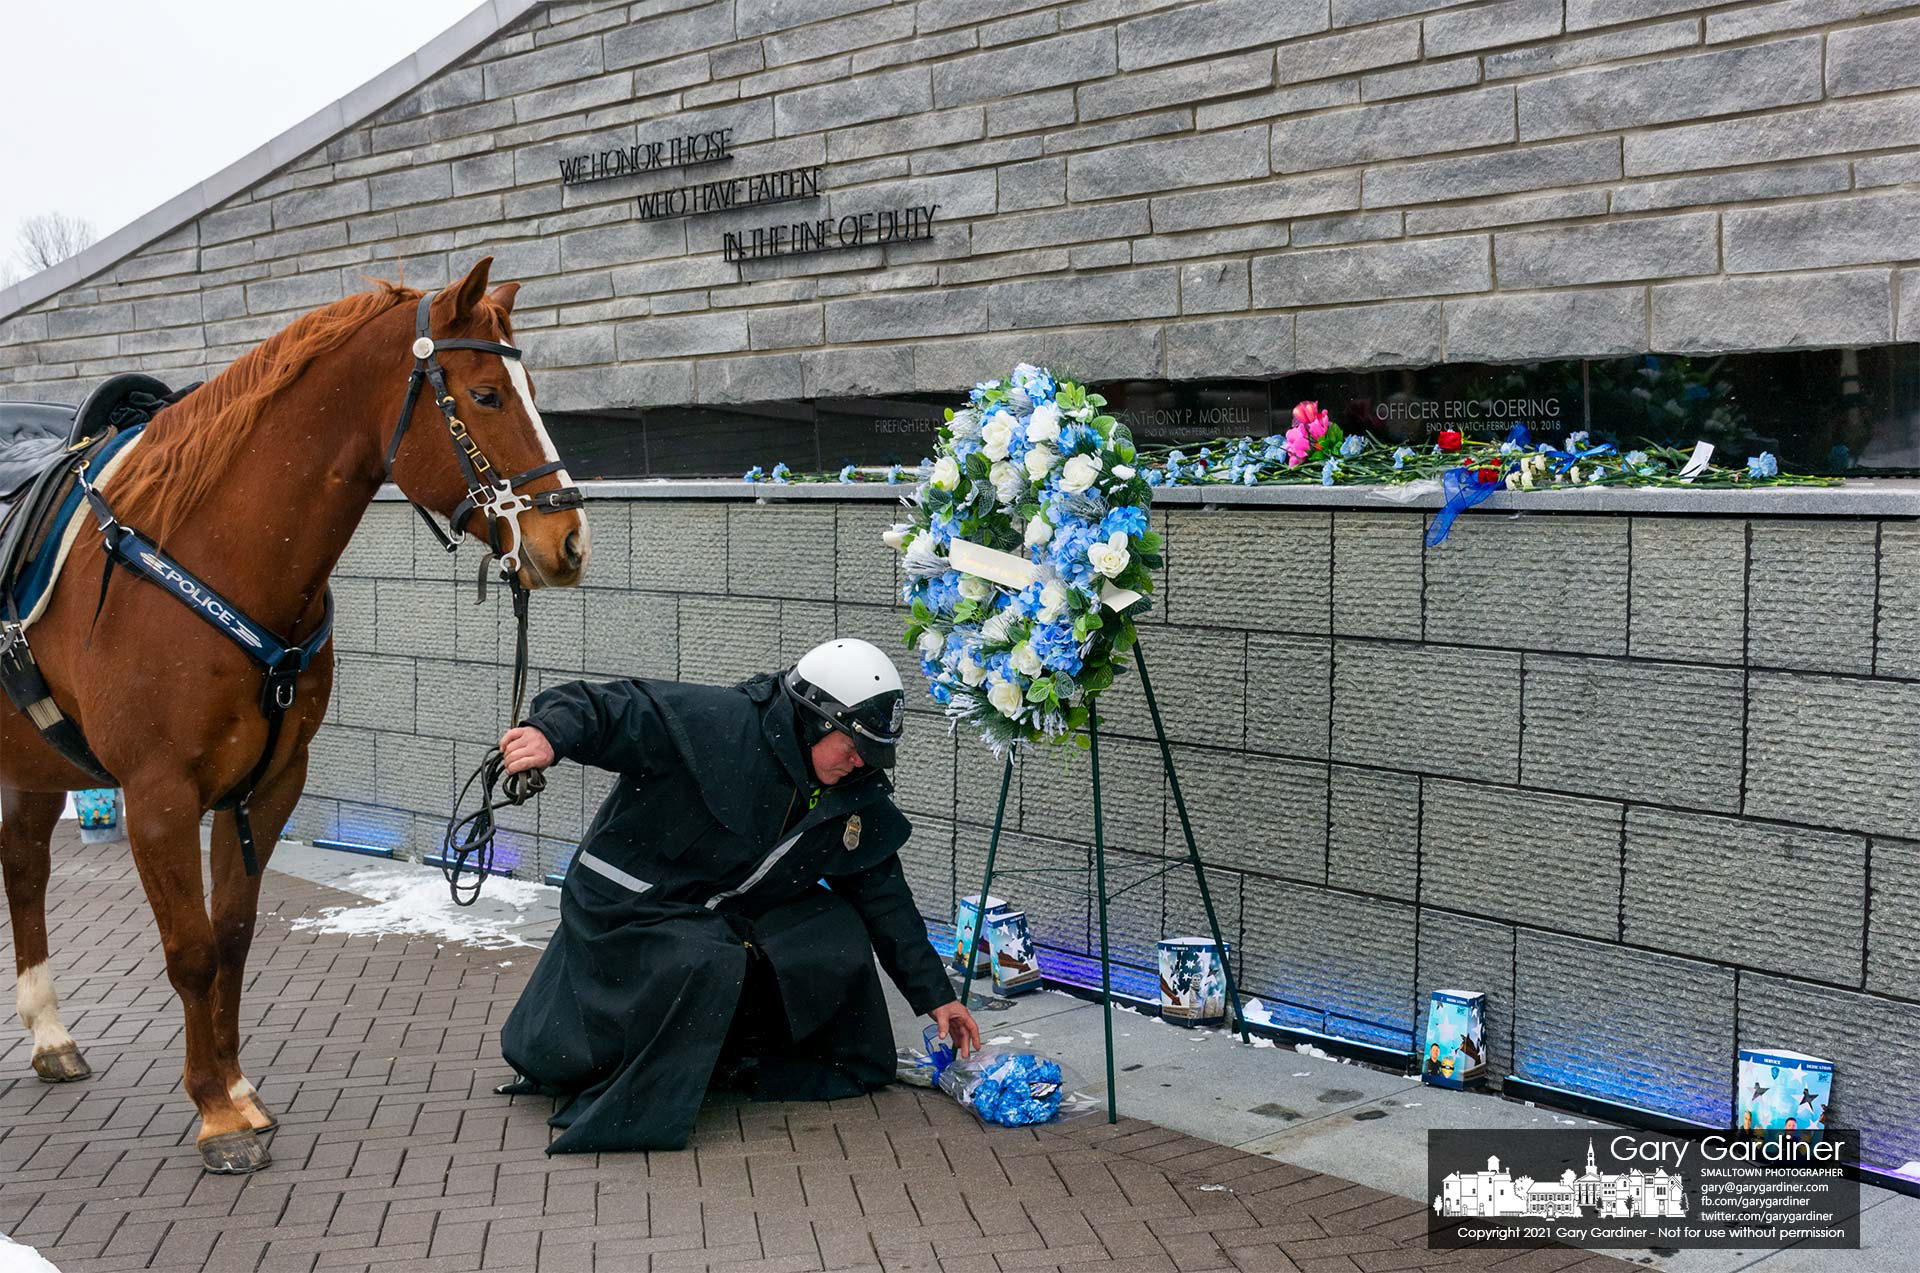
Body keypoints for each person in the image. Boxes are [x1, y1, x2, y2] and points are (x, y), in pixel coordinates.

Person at [491, 638, 980, 1153]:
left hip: (722, 908)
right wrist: (550, 734)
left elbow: (884, 897)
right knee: (706, 957)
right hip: (628, 902)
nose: (861, 764)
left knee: (831, 927)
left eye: (873, 754)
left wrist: (937, 997)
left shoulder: (852, 787)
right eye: (854, 748)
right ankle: (639, 1095)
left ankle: (756, 1060)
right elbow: (608, 708)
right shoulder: (718, 722)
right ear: (814, 718)